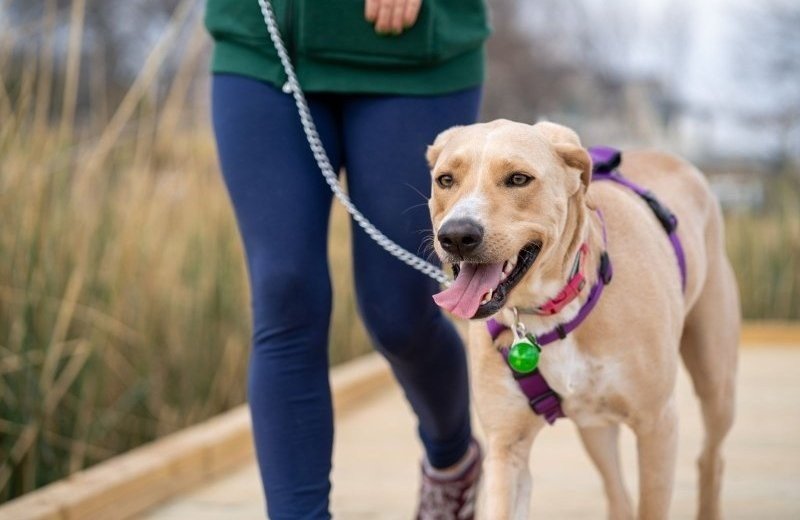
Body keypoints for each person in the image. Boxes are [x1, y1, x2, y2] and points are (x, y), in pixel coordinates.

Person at [204, 0, 489, 517]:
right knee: (284, 294)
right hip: (262, 51)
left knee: (400, 314)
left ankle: (453, 459)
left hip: (412, 56)